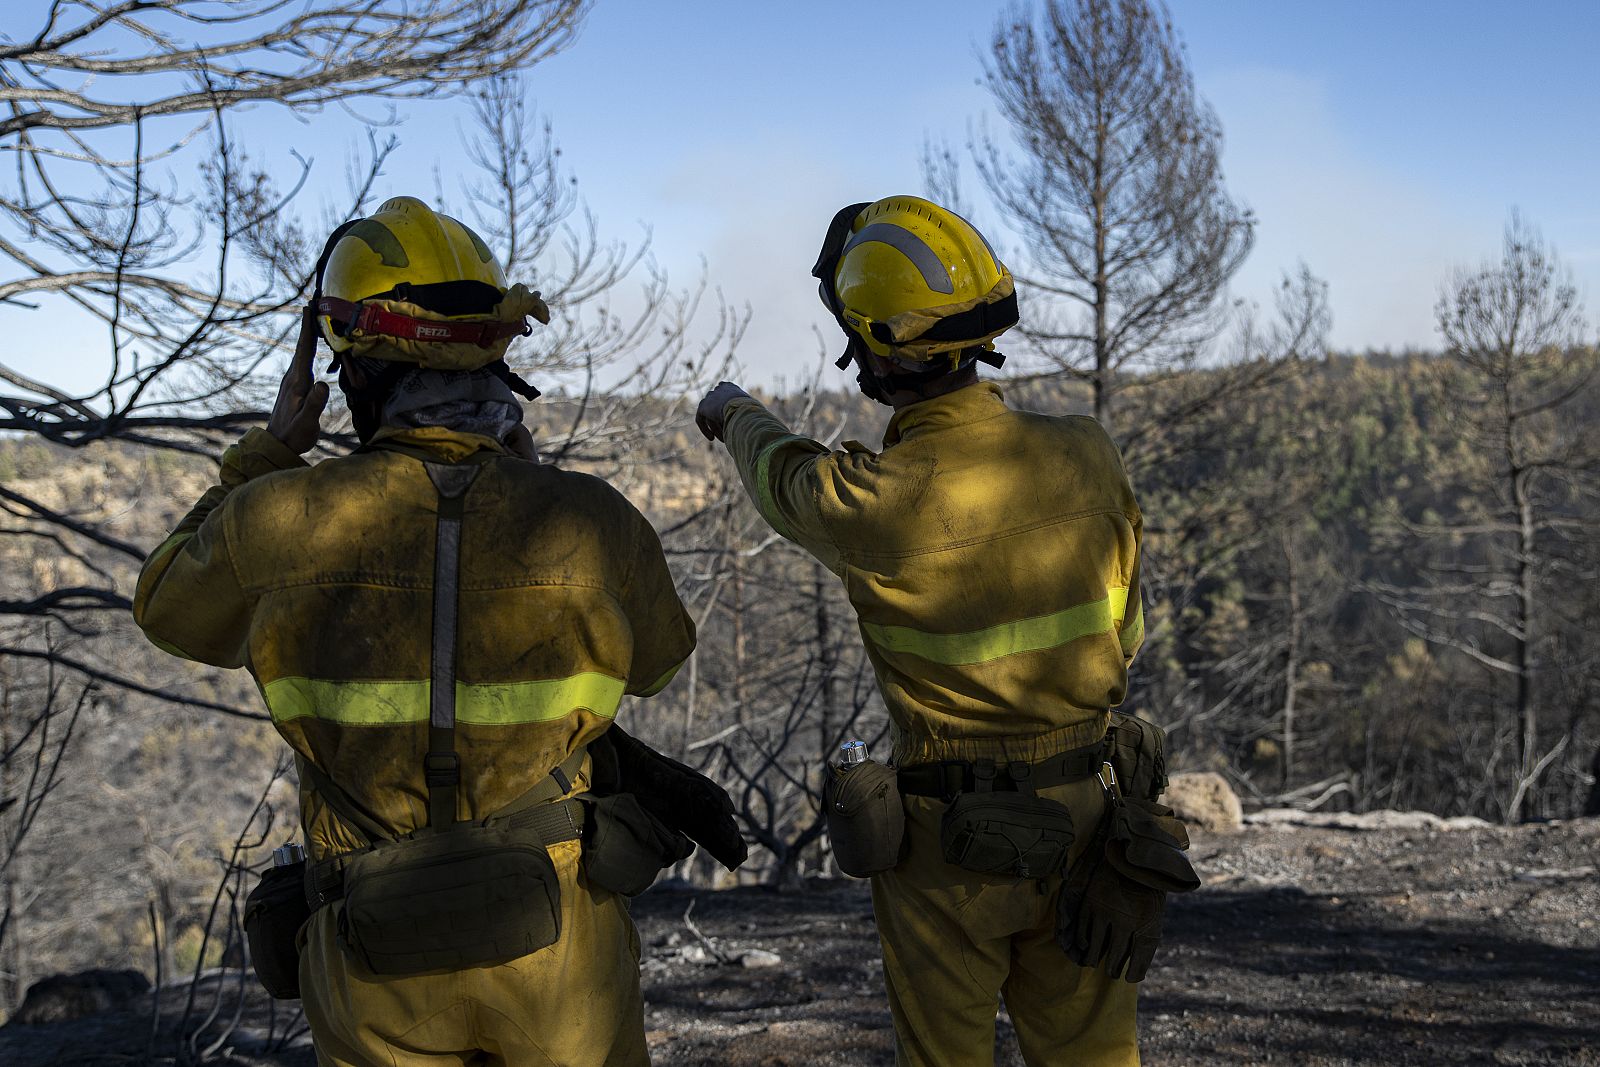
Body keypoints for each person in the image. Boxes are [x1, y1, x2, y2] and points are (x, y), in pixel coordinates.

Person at [135, 196, 743, 1067]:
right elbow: (656, 662)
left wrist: (266, 455)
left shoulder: (272, 519)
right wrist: (539, 501)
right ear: (496, 365)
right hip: (561, 949)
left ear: (355, 376)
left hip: (374, 952)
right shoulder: (590, 521)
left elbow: (164, 607)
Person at [696, 196, 1147, 1066]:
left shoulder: (872, 499)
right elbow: (1128, 632)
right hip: (1090, 813)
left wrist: (732, 409)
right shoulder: (1088, 451)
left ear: (872, 348)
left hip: (950, 844)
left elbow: (782, 474)